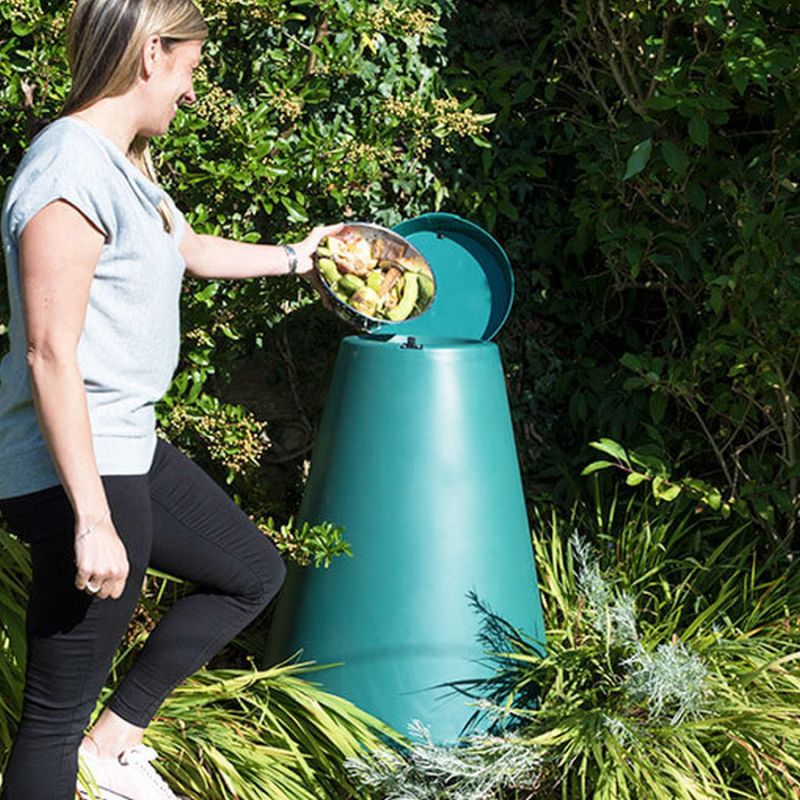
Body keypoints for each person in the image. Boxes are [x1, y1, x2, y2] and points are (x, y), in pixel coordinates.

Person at [0, 0, 342, 797]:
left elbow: (187, 251)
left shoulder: (126, 167)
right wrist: (91, 517)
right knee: (52, 717)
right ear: (152, 53)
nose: (192, 91)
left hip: (126, 445)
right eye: (190, 68)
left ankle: (113, 744)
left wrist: (304, 257)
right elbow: (51, 351)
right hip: (74, 464)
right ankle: (85, 746)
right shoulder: (68, 169)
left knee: (251, 571)